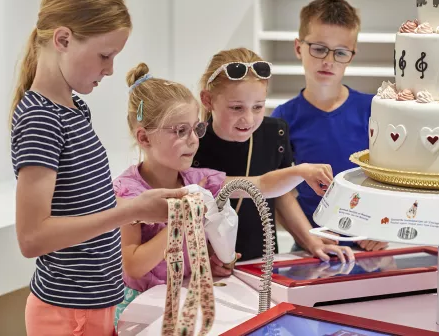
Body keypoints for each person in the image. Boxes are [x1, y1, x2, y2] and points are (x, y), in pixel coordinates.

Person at [10, 0, 188, 336]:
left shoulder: (75, 109)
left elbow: (85, 207)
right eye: (105, 55)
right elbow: (32, 238)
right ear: (63, 39)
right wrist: (132, 210)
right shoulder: (41, 119)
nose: (109, 70)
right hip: (66, 314)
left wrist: (136, 205)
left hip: (96, 304)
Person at [112, 62, 342, 326]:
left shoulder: (199, 180)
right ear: (144, 138)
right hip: (143, 310)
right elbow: (132, 266)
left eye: (196, 129)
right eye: (180, 131)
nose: (192, 140)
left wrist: (300, 172)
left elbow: (261, 185)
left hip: (186, 299)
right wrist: (181, 222)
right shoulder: (129, 191)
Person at [194, 47, 355, 262]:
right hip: (203, 265)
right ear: (207, 100)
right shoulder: (191, 144)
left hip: (262, 261)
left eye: (258, 107)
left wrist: (312, 241)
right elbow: (262, 185)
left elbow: (282, 196)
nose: (249, 119)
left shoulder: (274, 133)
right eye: (236, 108)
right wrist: (204, 259)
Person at [271, 0, 388, 252]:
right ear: (298, 47)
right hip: (313, 245)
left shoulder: (375, 110)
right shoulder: (282, 118)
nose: (328, 60)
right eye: (319, 48)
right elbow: (277, 191)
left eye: (340, 52)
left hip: (370, 243)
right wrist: (309, 239)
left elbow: (394, 178)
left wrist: (382, 226)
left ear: (352, 55)